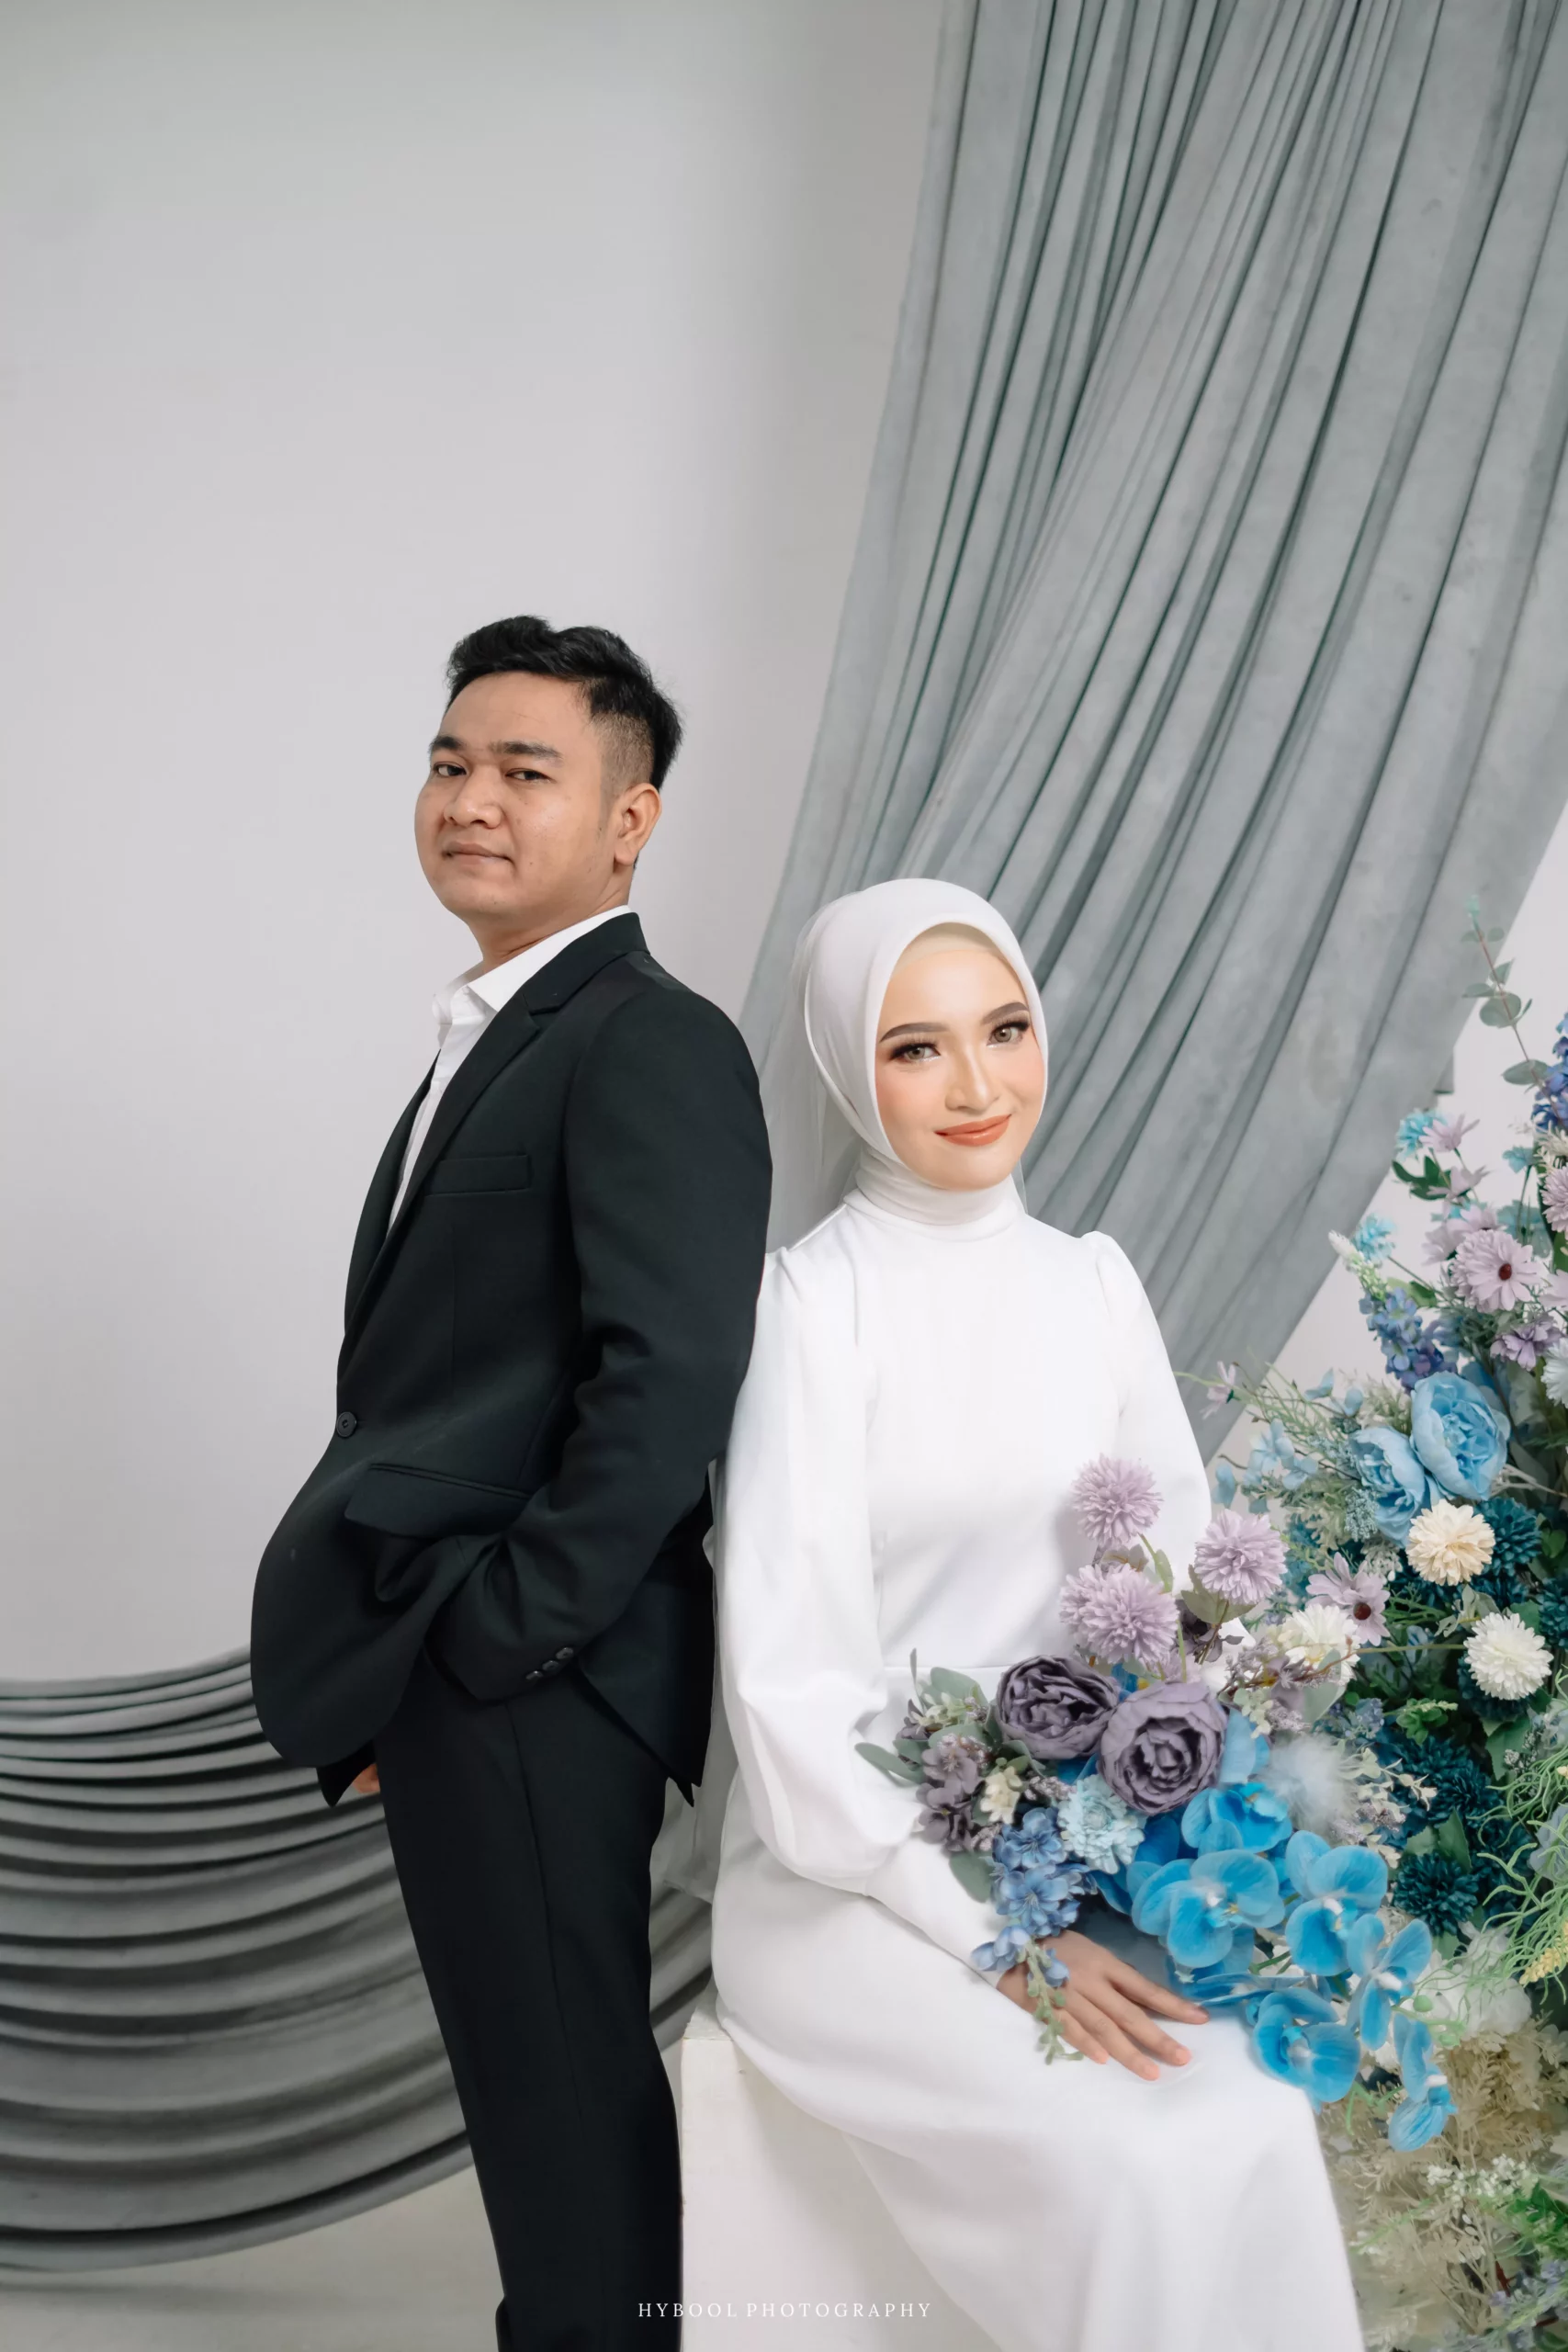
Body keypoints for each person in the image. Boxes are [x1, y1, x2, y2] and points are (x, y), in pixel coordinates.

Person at [710, 877, 1361, 2352]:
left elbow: (1186, 1619)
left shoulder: (1091, 1284)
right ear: (847, 1070)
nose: (976, 1084)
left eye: (1002, 1030)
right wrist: (997, 1936)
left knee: (1255, 2112)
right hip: (851, 1889)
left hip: (1086, 1854)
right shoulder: (811, 1308)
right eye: (915, 1047)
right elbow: (792, 1696)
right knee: (1130, 2160)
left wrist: (1187, 1839)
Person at [250, 616, 772, 2352]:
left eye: (524, 770)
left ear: (629, 821)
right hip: (476, 1664)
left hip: (548, 1671)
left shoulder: (648, 1039)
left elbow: (666, 1379)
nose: (471, 799)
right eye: (449, 762)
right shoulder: (499, 1030)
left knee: (560, 2095)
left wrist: (492, 1642)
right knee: (534, 2092)